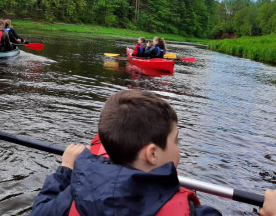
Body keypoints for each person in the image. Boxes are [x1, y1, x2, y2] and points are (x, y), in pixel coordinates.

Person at [32, 89, 262, 215]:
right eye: (176, 140)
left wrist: (65, 171)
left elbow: (40, 212)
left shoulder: (74, 194)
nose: (179, 148)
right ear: (152, 154)